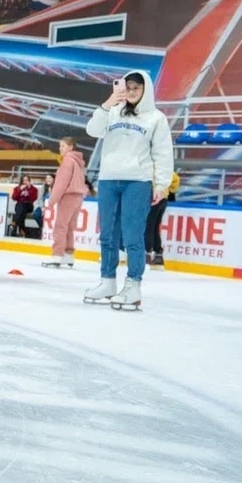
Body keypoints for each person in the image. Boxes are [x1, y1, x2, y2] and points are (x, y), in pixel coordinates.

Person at [83, 71, 174, 309]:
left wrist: (162, 184)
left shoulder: (156, 118)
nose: (132, 92)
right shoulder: (112, 112)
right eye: (129, 87)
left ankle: (133, 284)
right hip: (108, 179)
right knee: (107, 235)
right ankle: (107, 281)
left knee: (133, 235)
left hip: (138, 181)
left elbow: (163, 153)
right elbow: (92, 130)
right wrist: (107, 103)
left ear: (146, 91)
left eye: (137, 88)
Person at [44, 137, 87, 267]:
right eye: (60, 146)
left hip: (68, 196)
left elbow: (61, 184)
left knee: (60, 226)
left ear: (71, 147)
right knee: (69, 227)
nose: (60, 149)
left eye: (62, 146)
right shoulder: (78, 162)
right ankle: (68, 255)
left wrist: (51, 201)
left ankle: (57, 255)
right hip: (78, 196)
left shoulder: (68, 161)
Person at [145, 172, 179, 268]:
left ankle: (147, 255)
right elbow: (176, 180)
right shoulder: (165, 169)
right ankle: (158, 257)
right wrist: (170, 190)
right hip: (163, 199)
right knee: (154, 227)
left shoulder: (151, 168)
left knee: (148, 227)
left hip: (153, 198)